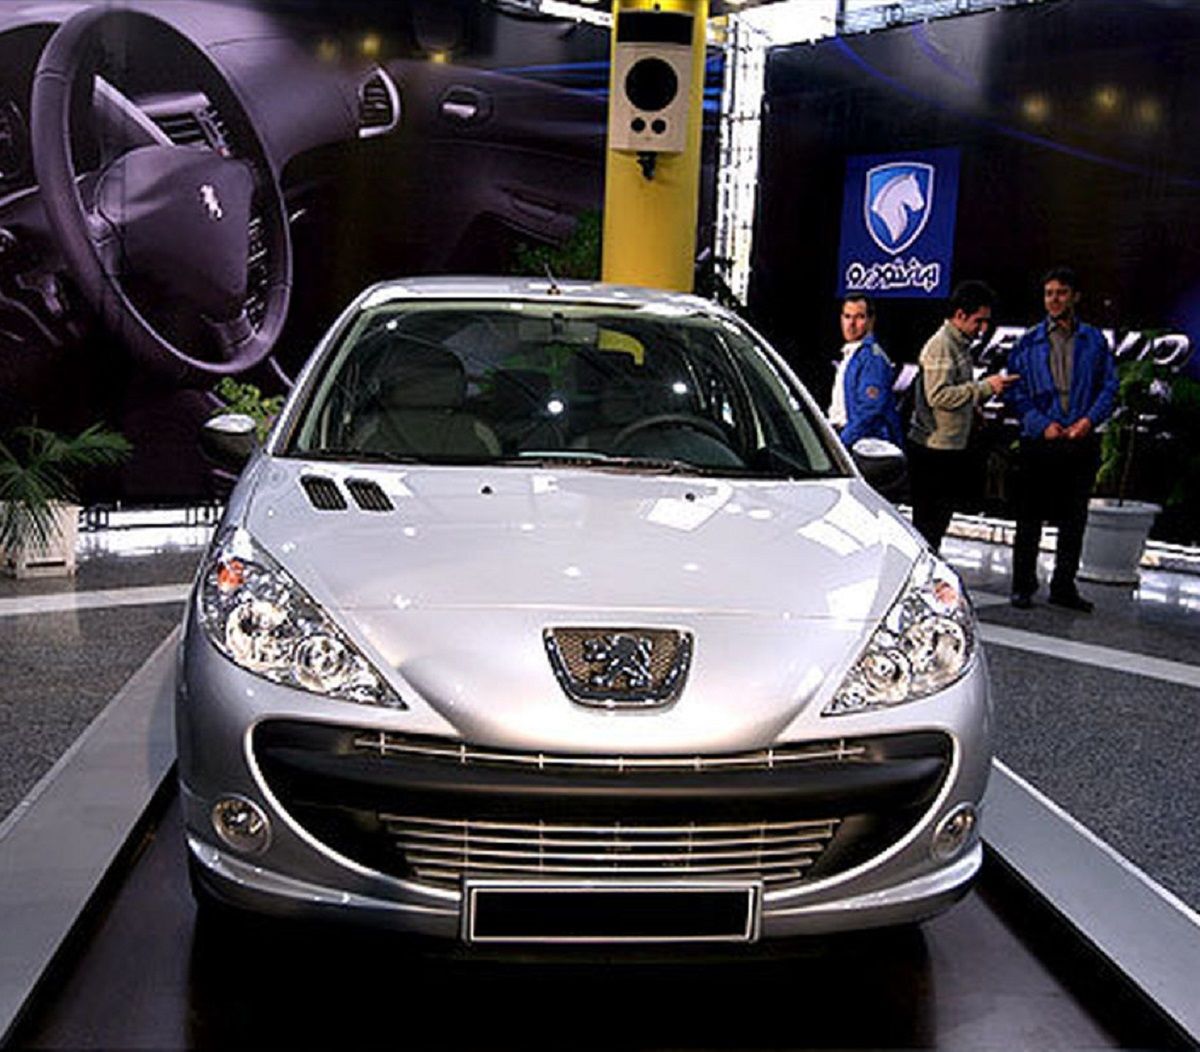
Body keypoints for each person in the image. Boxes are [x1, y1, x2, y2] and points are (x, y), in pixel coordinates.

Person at [1006, 267, 1118, 612]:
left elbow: (1109, 387)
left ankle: (1063, 587)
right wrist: (1041, 424)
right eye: (1049, 293)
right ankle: (1023, 586)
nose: (1054, 299)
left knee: (1074, 519)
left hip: (1079, 440)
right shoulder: (1027, 342)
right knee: (1029, 518)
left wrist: (1088, 421)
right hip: (1040, 441)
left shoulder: (1094, 341)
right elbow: (1015, 392)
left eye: (1061, 293)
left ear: (1075, 297)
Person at [907, 280, 1017, 551]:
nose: (983, 329)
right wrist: (985, 388)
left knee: (937, 524)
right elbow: (938, 396)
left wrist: (973, 410)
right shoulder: (942, 346)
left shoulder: (960, 345)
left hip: (949, 448)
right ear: (960, 315)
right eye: (979, 321)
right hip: (933, 451)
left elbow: (954, 390)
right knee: (928, 527)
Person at [827, 295, 903, 449]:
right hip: (848, 437)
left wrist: (841, 442)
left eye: (859, 317)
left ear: (871, 321)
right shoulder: (852, 353)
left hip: (865, 445)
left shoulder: (872, 358)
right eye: (847, 316)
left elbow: (870, 411)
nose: (851, 324)